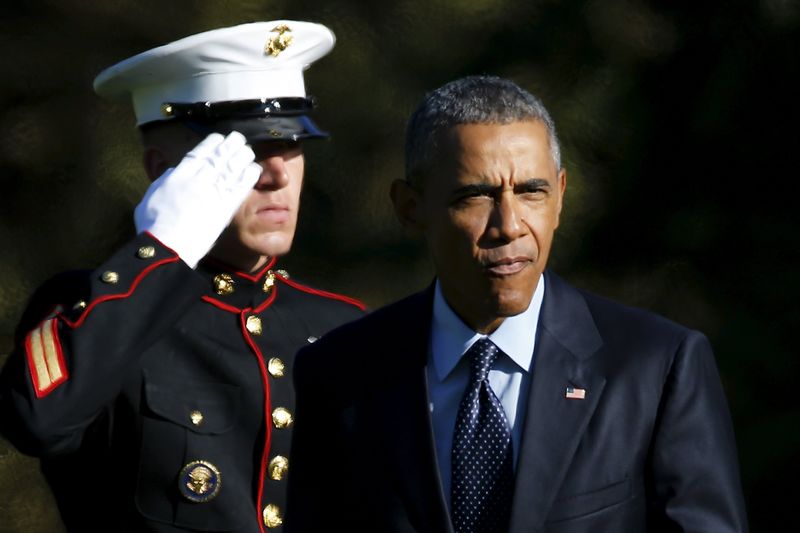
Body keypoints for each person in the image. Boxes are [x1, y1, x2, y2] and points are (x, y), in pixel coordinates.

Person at [285, 76, 748, 532]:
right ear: (410, 207)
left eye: (531, 192)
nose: (509, 225)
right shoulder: (341, 374)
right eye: (476, 195)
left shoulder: (655, 367)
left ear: (561, 197)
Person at [0, 21, 365, 533]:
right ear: (162, 169)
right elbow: (38, 421)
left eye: (293, 146)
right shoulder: (91, 310)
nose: (278, 174)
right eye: (247, 152)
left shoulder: (346, 329)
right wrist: (160, 251)